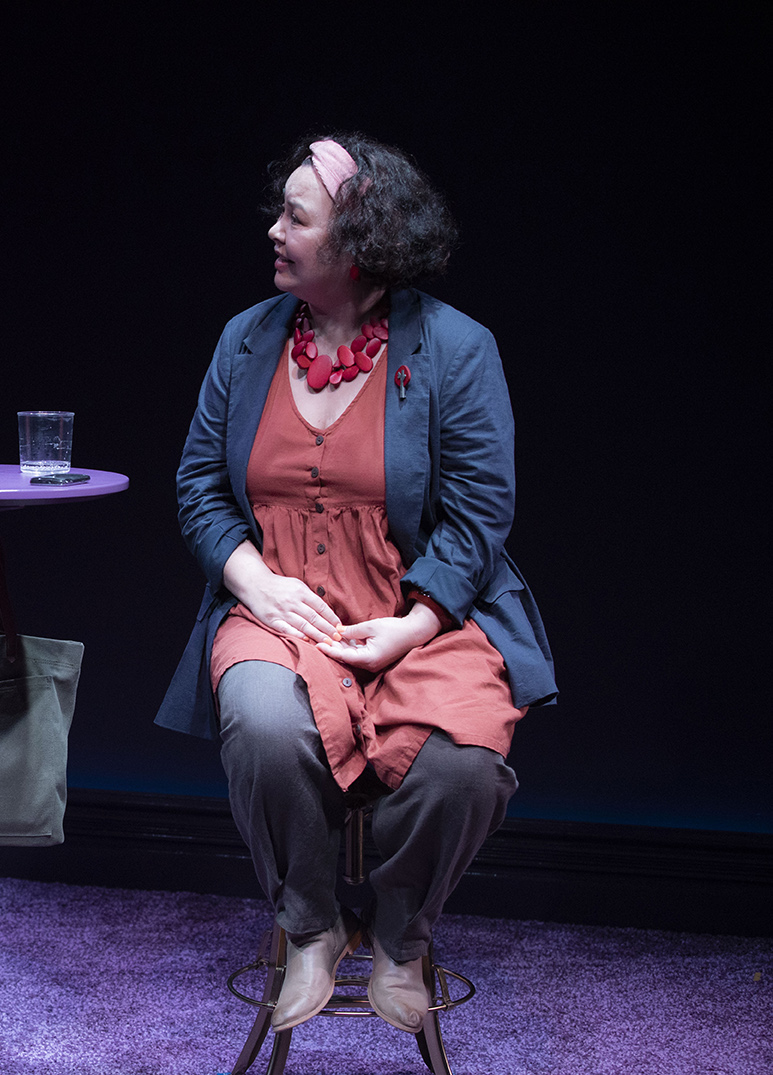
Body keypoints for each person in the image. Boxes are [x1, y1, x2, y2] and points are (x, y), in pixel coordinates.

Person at [155, 133, 555, 1035]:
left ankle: (402, 936)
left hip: (420, 611)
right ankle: (311, 927)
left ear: (358, 241)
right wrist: (251, 580)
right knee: (260, 719)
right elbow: (197, 488)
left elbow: (480, 515)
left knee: (464, 766)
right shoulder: (246, 339)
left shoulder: (455, 349)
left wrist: (412, 626)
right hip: (278, 605)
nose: (274, 229)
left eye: (295, 216)